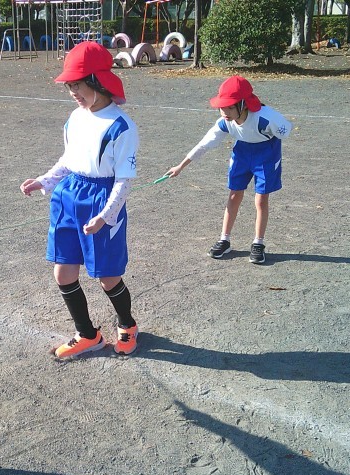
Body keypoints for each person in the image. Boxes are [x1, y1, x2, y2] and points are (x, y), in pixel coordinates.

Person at [20, 42, 140, 359]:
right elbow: (69, 159)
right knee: (63, 272)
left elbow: (124, 180)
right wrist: (45, 180)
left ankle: (127, 325)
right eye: (69, 85)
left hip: (101, 198)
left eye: (77, 84)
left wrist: (106, 215)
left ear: (98, 81)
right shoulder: (74, 117)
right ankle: (88, 334)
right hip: (68, 195)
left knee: (107, 276)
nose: (72, 91)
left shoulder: (121, 126)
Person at [166, 75, 293, 264]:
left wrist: (269, 144)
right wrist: (180, 166)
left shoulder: (265, 118)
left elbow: (285, 130)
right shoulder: (225, 122)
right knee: (234, 195)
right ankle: (224, 240)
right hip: (242, 153)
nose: (224, 112)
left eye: (230, 107)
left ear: (244, 104)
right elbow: (204, 144)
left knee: (261, 199)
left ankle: (258, 243)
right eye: (222, 107)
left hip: (266, 154)